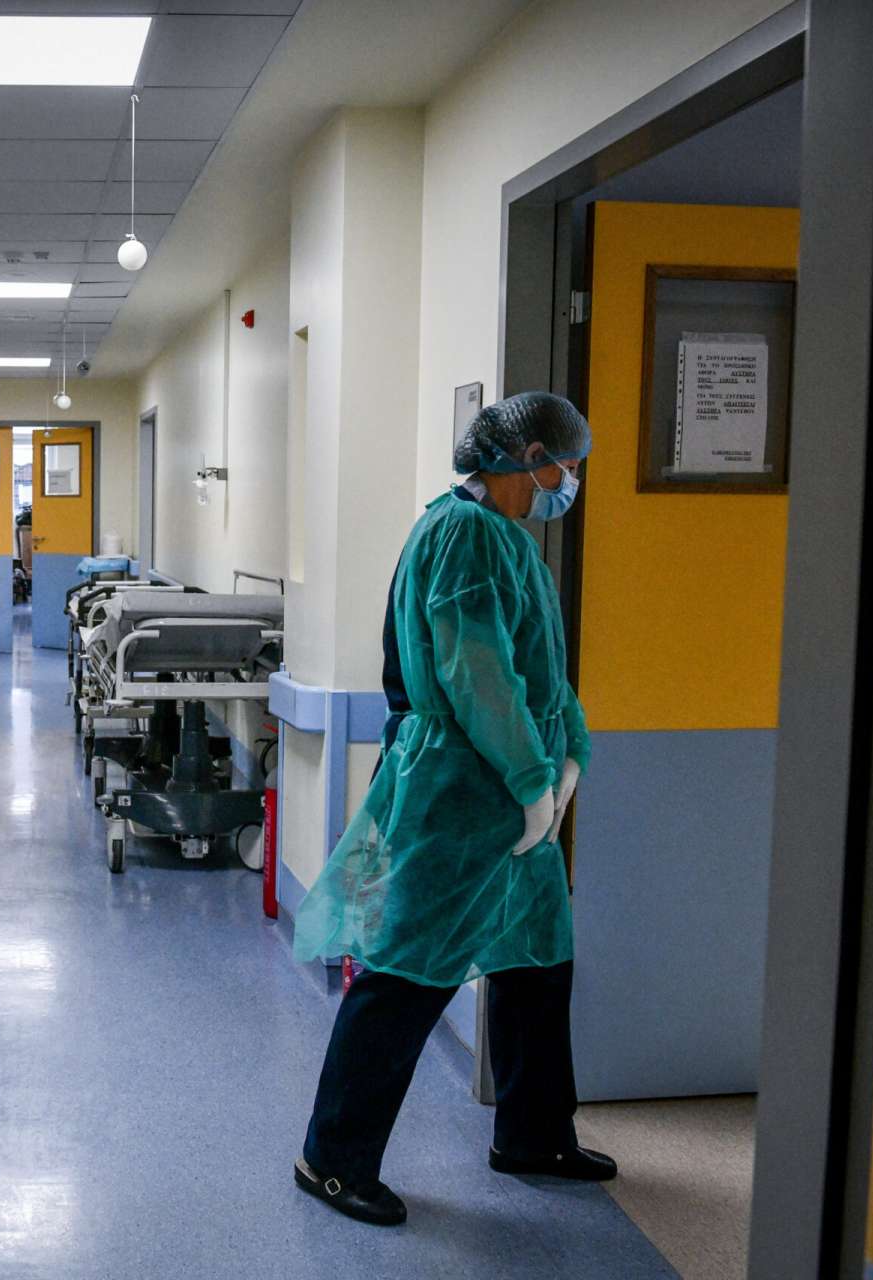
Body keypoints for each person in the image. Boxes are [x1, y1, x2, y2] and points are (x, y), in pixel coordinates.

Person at [290, 391, 615, 1227]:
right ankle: (332, 1159)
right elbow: (478, 673)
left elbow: (541, 672)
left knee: (537, 962)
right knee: (407, 971)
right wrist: (531, 778)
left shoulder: (510, 540)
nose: (568, 484)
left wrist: (569, 750)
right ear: (530, 457)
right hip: (461, 791)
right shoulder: (463, 533)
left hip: (514, 789)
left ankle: (534, 1135)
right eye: (565, 468)